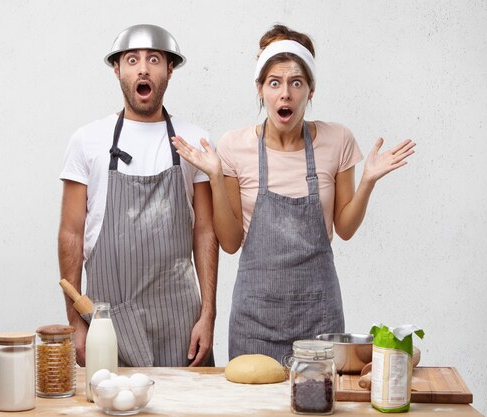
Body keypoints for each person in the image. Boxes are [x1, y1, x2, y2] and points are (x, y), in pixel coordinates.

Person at [172, 24, 415, 363]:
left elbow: (344, 228)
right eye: (274, 83)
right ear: (260, 90)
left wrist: (368, 182)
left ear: (310, 90)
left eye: (295, 83)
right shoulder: (233, 147)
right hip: (254, 320)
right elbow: (229, 243)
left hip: (320, 317)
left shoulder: (338, 140)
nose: (285, 94)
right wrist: (214, 176)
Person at [58, 24, 218, 367]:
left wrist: (208, 315)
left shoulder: (194, 142)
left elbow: (205, 230)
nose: (143, 68)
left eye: (154, 59)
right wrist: (75, 321)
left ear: (170, 70)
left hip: (180, 322)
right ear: (117, 69)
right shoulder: (88, 140)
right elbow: (71, 232)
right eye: (132, 60)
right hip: (106, 322)